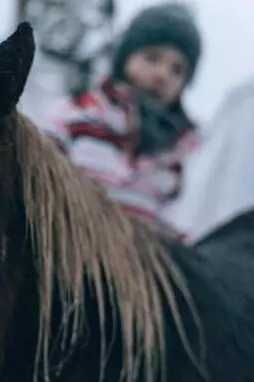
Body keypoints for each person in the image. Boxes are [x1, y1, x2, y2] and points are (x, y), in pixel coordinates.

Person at [40, 2, 202, 236]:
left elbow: (180, 223)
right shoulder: (75, 115)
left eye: (177, 69)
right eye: (152, 58)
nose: (162, 75)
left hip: (141, 254)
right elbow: (37, 179)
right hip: (69, 242)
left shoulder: (182, 153)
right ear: (125, 57)